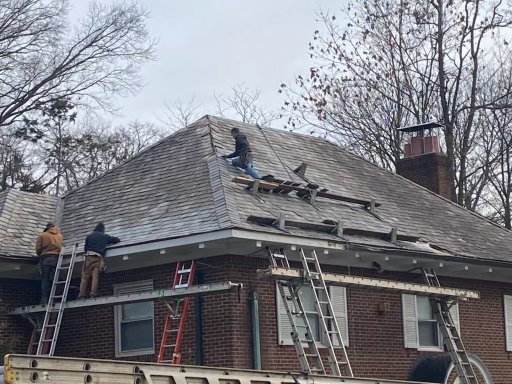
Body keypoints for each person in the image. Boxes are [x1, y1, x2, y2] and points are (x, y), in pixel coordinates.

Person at [79, 222, 120, 299]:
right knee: (95, 277)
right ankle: (93, 294)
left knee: (85, 277)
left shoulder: (89, 236)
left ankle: (81, 294)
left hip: (89, 258)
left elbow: (85, 249)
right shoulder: (104, 236)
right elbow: (116, 240)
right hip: (98, 258)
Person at [36, 222, 63, 304]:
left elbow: (38, 249)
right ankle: (54, 296)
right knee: (54, 278)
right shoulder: (60, 236)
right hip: (57, 259)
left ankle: (44, 298)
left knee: (45, 279)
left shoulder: (42, 235)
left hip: (46, 259)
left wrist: (41, 252)